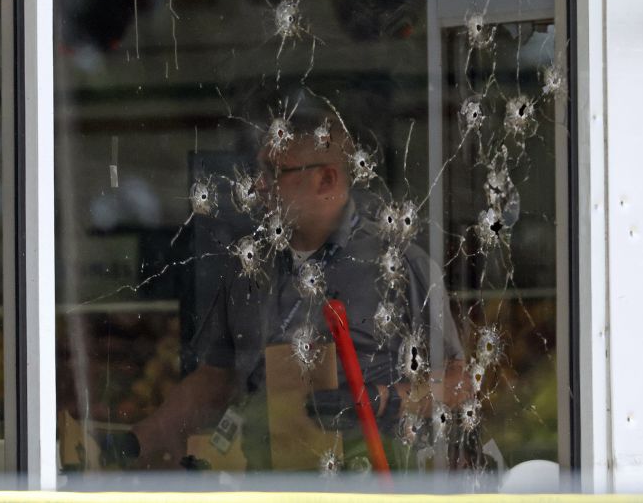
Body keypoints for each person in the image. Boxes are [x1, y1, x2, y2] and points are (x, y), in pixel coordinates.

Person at [129, 107, 466, 470]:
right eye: (259, 170)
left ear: (326, 180)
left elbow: (459, 383)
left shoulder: (400, 265)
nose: (258, 185)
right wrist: (133, 442)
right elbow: (216, 378)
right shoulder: (248, 268)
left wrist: (380, 400)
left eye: (274, 172)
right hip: (265, 480)